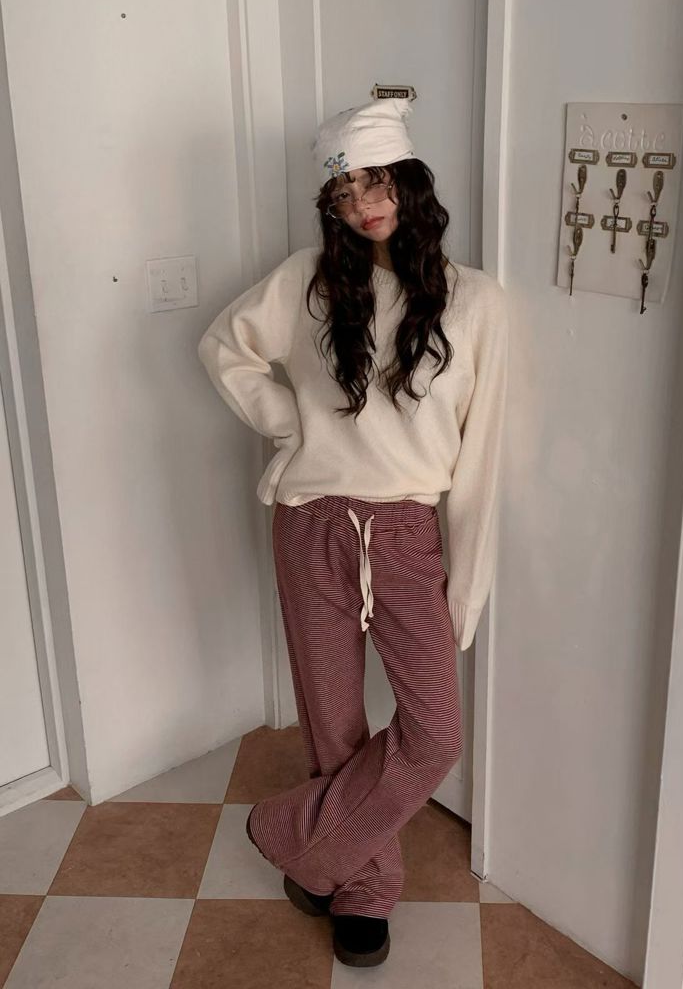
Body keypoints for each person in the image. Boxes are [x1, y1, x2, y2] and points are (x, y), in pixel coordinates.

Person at [197, 95, 509, 968]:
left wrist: (467, 583)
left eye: (378, 182)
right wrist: (289, 424)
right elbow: (223, 346)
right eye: (344, 192)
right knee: (333, 728)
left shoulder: (477, 303)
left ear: (412, 182)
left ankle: (291, 835)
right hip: (313, 525)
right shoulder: (308, 280)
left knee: (433, 733)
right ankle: (362, 887)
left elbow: (481, 460)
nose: (364, 204)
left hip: (407, 534)